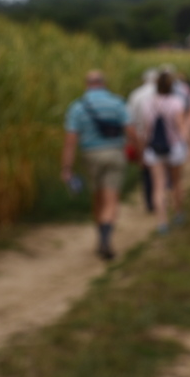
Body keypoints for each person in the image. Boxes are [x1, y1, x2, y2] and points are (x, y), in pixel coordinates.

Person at [62, 70, 137, 261]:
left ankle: (100, 235)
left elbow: (71, 140)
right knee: (111, 199)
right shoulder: (117, 103)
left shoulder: (77, 107)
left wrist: (67, 168)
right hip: (114, 153)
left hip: (90, 155)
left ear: (87, 84)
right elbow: (130, 131)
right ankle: (106, 237)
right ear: (104, 83)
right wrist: (136, 151)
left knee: (97, 197)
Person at [142, 71, 190, 233]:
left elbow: (147, 129)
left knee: (159, 186)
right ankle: (178, 212)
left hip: (154, 148)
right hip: (174, 147)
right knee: (176, 182)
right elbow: (181, 126)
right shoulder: (176, 102)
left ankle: (162, 221)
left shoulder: (148, 103)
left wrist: (143, 147)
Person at [127, 68, 158, 211]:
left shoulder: (136, 94)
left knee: (145, 170)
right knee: (160, 168)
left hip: (140, 136)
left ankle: (149, 201)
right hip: (159, 136)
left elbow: (129, 119)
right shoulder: (162, 93)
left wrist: (131, 140)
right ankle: (159, 197)